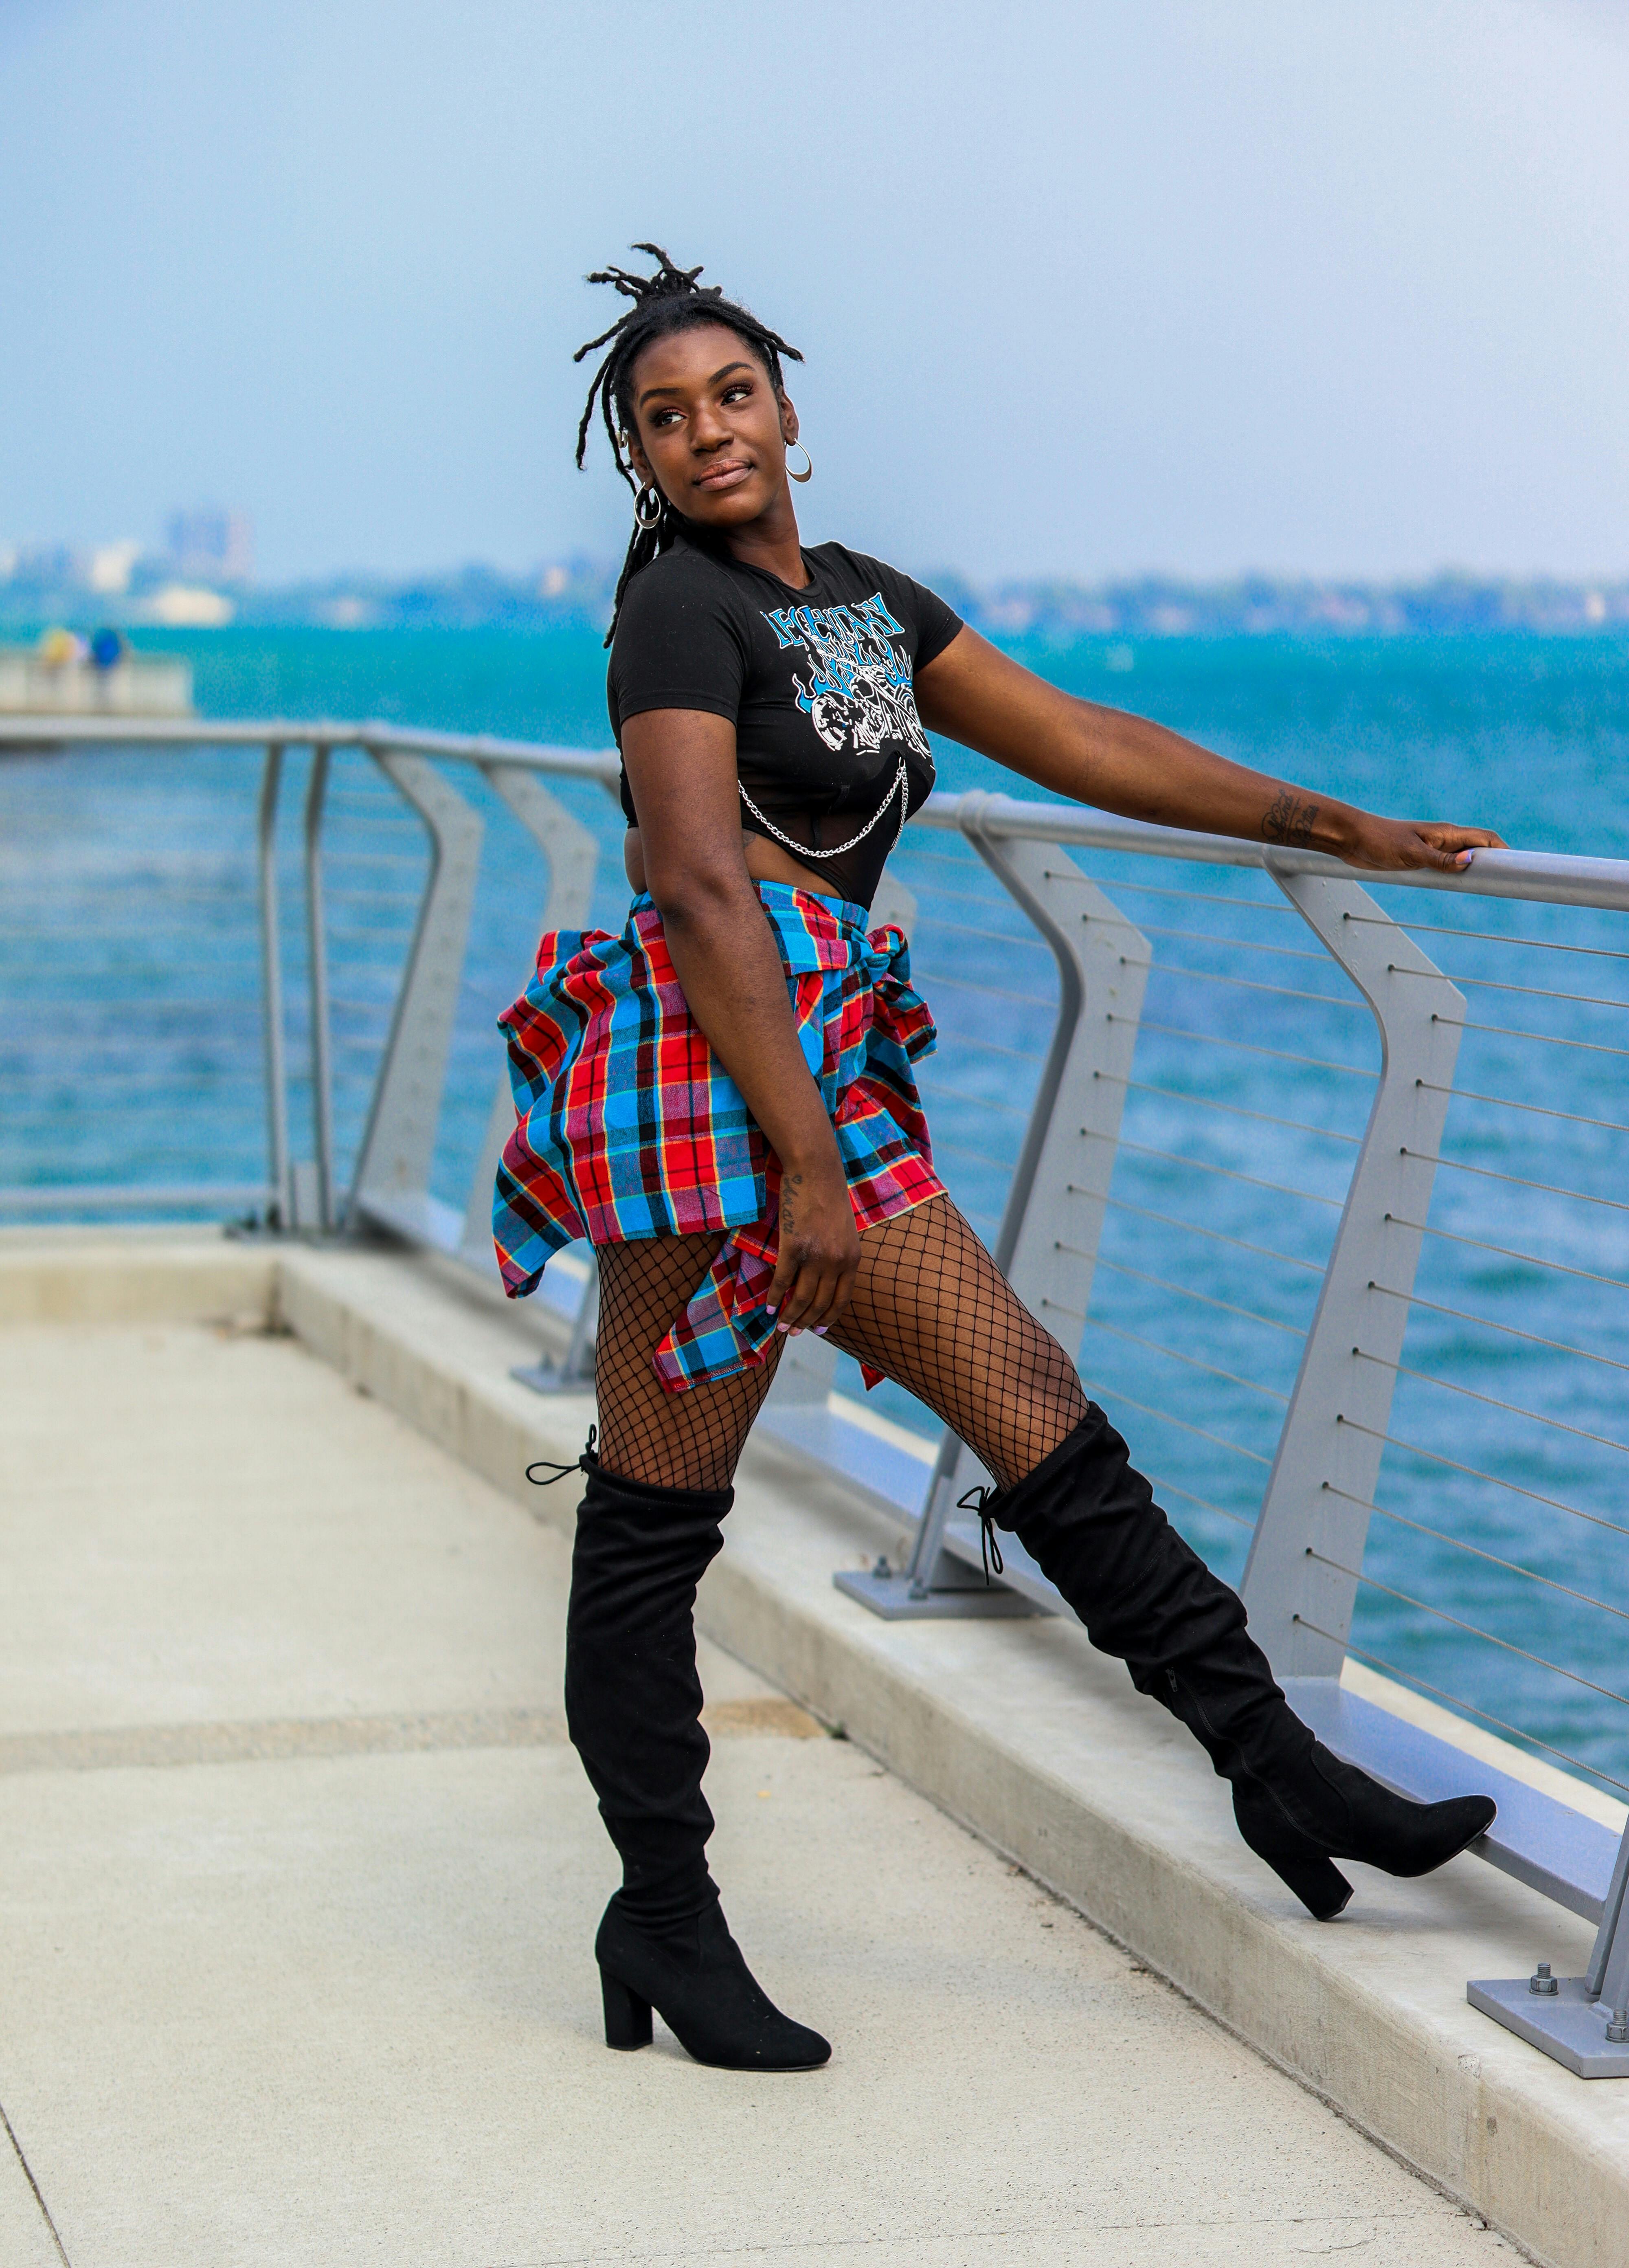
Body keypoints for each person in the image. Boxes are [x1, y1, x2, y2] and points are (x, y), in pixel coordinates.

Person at [494, 246, 1502, 2074]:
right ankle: (667, 1910)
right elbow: (699, 876)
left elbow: (1076, 738)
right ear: (637, 459)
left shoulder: (869, 603)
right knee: (662, 1521)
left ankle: (1276, 1775)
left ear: (790, 412)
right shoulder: (673, 619)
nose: (708, 431)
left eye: (733, 396)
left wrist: (1323, 818)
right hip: (721, 1064)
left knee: (1023, 1417)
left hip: (812, 1066)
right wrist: (804, 1165)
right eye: (666, 417)